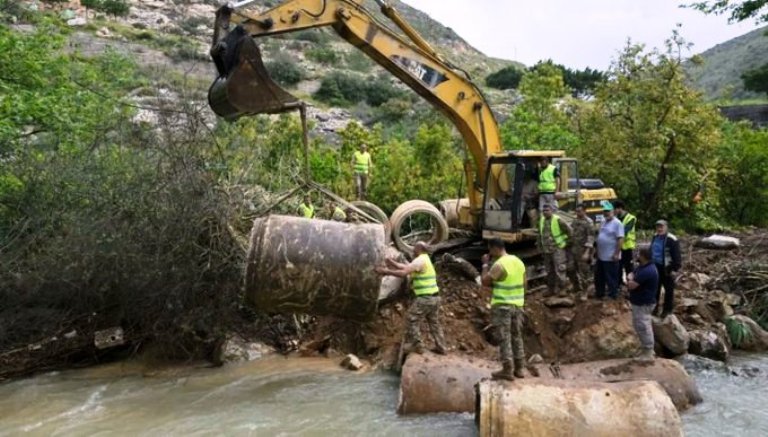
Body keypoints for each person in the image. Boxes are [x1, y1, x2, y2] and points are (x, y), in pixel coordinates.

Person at [375, 242, 447, 355]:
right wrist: (391, 262)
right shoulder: (425, 259)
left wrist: (385, 271)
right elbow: (406, 267)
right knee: (434, 323)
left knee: (411, 319)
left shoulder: (420, 260)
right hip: (435, 298)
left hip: (425, 298)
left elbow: (403, 273)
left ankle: (417, 345)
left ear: (419, 249)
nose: (413, 249)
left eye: (415, 247)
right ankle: (441, 347)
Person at [481, 238, 527, 380]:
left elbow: (485, 281)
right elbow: (525, 284)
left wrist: (485, 264)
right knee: (516, 336)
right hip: (518, 305)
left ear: (495, 248)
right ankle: (520, 368)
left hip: (503, 306)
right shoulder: (518, 262)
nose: (490, 253)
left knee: (504, 337)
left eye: (490, 250)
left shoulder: (499, 265)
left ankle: (507, 369)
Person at [627, 247, 659, 362]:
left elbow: (631, 285)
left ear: (643, 256)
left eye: (639, 254)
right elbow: (632, 274)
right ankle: (645, 349)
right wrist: (631, 277)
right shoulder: (643, 266)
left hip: (644, 303)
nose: (637, 255)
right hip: (639, 302)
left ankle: (649, 352)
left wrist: (630, 279)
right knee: (640, 325)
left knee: (643, 326)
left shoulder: (648, 270)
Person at [538, 203, 572, 296]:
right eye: (544, 211)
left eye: (547, 210)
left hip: (557, 249)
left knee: (560, 270)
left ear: (552, 211)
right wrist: (540, 247)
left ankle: (563, 289)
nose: (545, 212)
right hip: (546, 250)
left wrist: (566, 243)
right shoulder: (542, 220)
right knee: (549, 271)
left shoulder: (558, 220)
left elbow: (570, 231)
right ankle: (551, 289)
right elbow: (539, 234)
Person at [650, 220, 682, 318]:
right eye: (658, 227)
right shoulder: (655, 236)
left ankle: (667, 310)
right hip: (655, 266)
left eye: (661, 227)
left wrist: (675, 268)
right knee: (655, 288)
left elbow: (677, 255)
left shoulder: (672, 239)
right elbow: (651, 250)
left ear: (666, 227)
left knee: (668, 290)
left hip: (667, 267)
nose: (659, 229)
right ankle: (654, 308)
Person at [594, 201, 624, 300]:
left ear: (613, 211)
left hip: (611, 256)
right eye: (605, 211)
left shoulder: (617, 223)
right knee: (599, 276)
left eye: (608, 211)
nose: (606, 213)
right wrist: (597, 251)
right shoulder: (603, 222)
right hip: (601, 256)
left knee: (611, 277)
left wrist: (616, 253)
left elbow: (620, 239)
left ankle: (612, 294)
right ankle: (600, 293)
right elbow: (599, 236)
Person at [568, 204, 594, 300]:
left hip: (583, 251)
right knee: (570, 269)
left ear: (584, 211)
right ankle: (576, 286)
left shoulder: (588, 222)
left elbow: (591, 238)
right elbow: (571, 233)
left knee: (584, 273)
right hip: (574, 250)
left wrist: (587, 252)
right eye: (576, 211)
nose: (577, 213)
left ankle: (585, 291)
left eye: (579, 211)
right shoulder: (575, 221)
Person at [614, 200, 637, 284]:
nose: (614, 211)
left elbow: (625, 231)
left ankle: (630, 284)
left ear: (620, 208)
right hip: (618, 246)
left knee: (629, 267)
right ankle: (619, 283)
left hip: (627, 247)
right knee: (618, 267)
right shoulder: (615, 218)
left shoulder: (631, 218)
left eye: (615, 209)